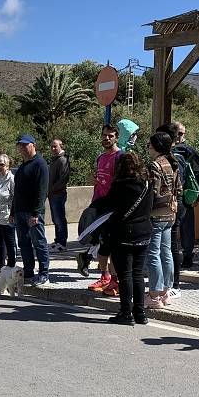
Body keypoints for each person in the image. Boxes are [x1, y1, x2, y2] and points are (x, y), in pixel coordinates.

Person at [93, 152, 152, 325]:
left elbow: (108, 206)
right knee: (138, 274)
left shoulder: (119, 185)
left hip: (124, 234)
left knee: (125, 274)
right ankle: (140, 313)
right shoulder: (147, 184)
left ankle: (126, 313)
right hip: (144, 233)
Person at [84, 125, 122, 294]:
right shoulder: (100, 157)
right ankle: (104, 275)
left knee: (113, 245)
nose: (107, 138)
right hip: (98, 204)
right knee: (100, 243)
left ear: (116, 138)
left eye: (110, 136)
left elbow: (121, 182)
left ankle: (115, 280)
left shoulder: (120, 156)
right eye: (104, 135)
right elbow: (99, 178)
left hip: (112, 206)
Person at [145, 132, 180, 309]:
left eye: (149, 145)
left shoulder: (155, 165)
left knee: (153, 254)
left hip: (156, 214)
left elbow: (153, 192)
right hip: (171, 214)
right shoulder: (173, 164)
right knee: (166, 253)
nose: (148, 148)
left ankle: (154, 295)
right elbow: (179, 189)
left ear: (157, 147)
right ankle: (166, 292)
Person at [12, 134, 50, 286]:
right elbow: (17, 191)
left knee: (39, 242)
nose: (22, 148)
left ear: (33, 145)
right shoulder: (22, 166)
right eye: (20, 145)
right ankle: (28, 271)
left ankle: (44, 273)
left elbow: (42, 191)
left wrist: (36, 213)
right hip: (20, 210)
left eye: (25, 145)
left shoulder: (40, 164)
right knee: (24, 243)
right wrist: (13, 212)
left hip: (32, 212)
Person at [170, 122, 199, 268]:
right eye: (177, 133)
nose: (179, 136)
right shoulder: (166, 149)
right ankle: (171, 256)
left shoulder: (189, 151)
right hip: (169, 196)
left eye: (181, 133)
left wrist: (195, 195)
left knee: (186, 227)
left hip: (185, 195)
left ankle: (188, 255)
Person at [47, 138, 71, 252]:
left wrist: (52, 189)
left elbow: (63, 179)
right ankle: (58, 241)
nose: (53, 148)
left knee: (60, 219)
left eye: (55, 146)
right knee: (56, 219)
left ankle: (62, 243)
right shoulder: (55, 160)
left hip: (58, 194)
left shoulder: (62, 160)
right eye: (52, 146)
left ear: (61, 146)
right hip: (52, 194)